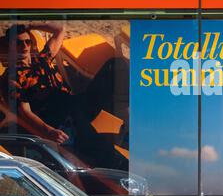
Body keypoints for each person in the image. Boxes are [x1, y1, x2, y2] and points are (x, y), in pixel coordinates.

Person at [0, 23, 129, 170]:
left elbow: (59, 29)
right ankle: (125, 168)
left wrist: (29, 26)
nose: (24, 46)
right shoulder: (12, 77)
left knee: (115, 65)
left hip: (77, 103)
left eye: (27, 41)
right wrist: (48, 131)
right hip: (62, 119)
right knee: (103, 150)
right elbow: (24, 112)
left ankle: (128, 123)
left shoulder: (43, 58)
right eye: (18, 43)